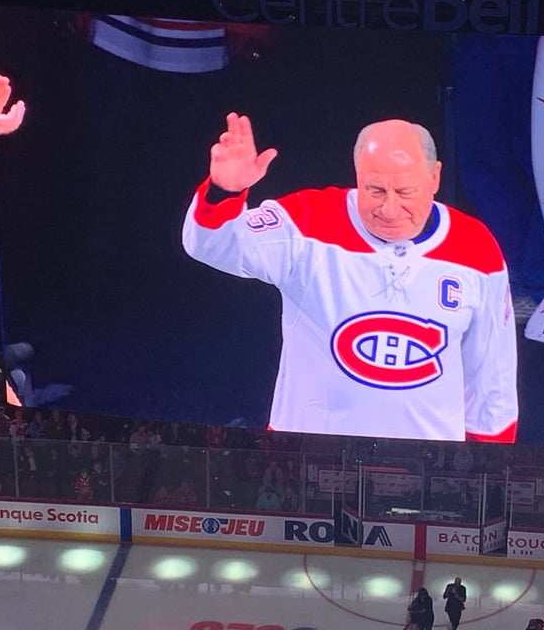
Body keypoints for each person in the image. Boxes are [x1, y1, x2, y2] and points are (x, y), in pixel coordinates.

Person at [182, 114, 518, 442]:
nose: (389, 209)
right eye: (375, 191)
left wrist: (482, 472)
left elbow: (491, 380)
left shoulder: (476, 248)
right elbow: (214, 246)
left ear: (434, 178)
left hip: (427, 469)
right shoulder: (306, 222)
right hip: (307, 460)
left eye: (404, 192)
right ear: (357, 176)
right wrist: (223, 192)